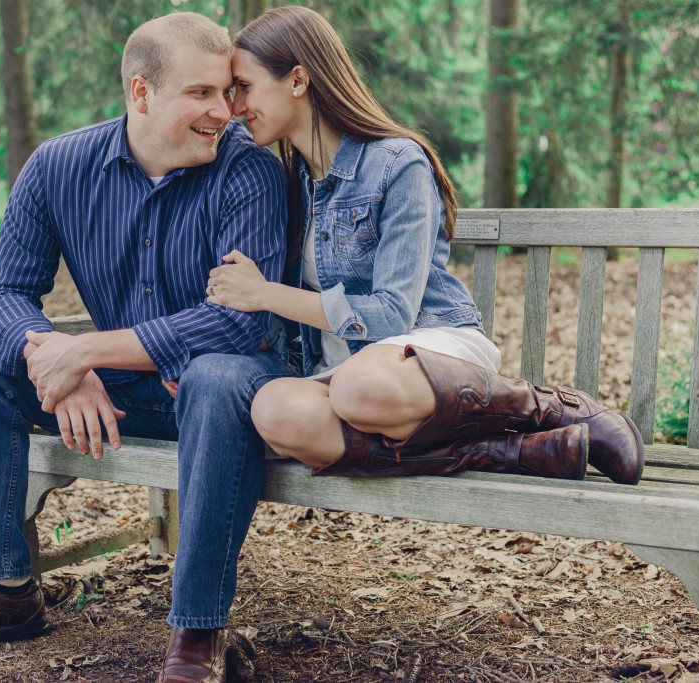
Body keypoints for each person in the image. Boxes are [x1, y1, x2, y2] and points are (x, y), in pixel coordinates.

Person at [0, 13, 293, 682]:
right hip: (127, 386)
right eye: (200, 94)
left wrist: (86, 352)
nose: (224, 112)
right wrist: (63, 362)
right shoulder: (58, 166)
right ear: (140, 94)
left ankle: (197, 633)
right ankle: (3, 591)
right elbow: (5, 293)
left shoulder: (249, 172)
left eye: (226, 93)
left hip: (227, 393)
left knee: (216, 376)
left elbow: (236, 324)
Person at [207, 6, 644, 484]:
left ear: (297, 80)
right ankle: (503, 453)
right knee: (274, 412)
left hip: (426, 354)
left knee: (360, 386)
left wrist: (265, 293)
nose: (234, 107)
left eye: (244, 87)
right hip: (345, 373)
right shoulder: (287, 181)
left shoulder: (397, 163)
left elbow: (390, 316)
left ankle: (551, 409)